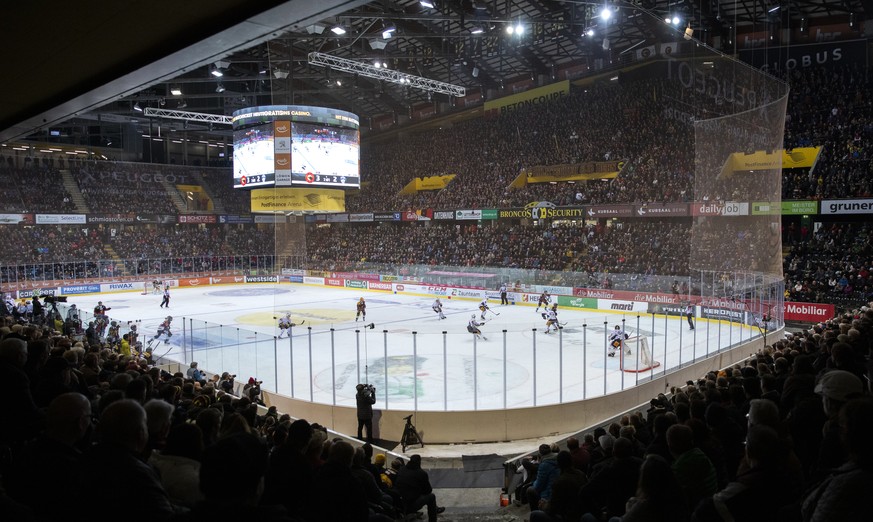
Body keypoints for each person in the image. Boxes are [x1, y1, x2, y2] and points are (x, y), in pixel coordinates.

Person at [394, 454, 445, 522]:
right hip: (411, 503)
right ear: (419, 462)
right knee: (431, 497)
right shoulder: (421, 473)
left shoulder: (402, 469)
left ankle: (435, 508)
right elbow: (428, 490)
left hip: (399, 501)